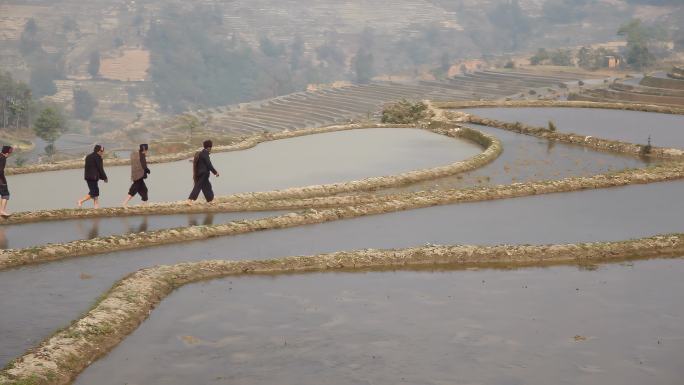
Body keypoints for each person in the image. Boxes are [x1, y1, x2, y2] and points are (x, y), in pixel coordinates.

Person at [0, 146, 13, 217]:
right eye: (9, 153)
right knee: (5, 195)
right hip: (1, 181)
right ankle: (2, 211)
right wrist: (3, 179)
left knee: (2, 194)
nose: (9, 154)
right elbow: (0, 170)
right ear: (7, 153)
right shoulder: (3, 158)